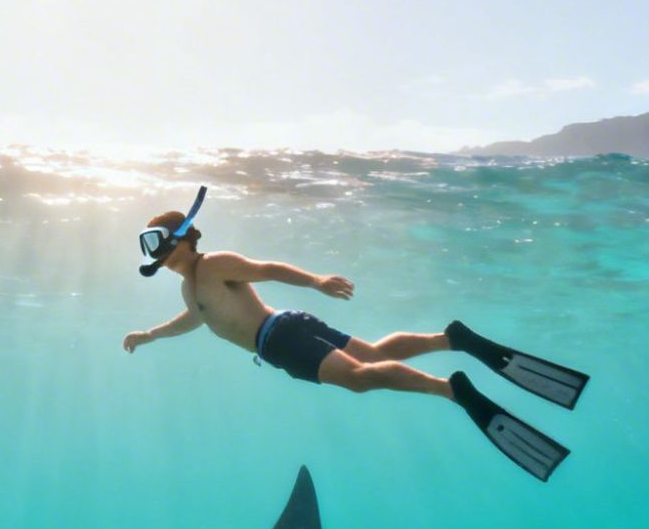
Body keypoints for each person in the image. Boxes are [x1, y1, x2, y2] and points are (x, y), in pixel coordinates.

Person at [125, 188, 587, 481]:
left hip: (282, 338)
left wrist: (316, 281)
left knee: (361, 377)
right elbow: (193, 320)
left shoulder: (212, 265)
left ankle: (454, 391)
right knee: (376, 353)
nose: (156, 254)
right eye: (148, 246)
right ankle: (452, 339)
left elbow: (267, 268)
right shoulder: (191, 289)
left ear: (181, 236)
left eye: (156, 241)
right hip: (288, 329)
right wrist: (149, 334)